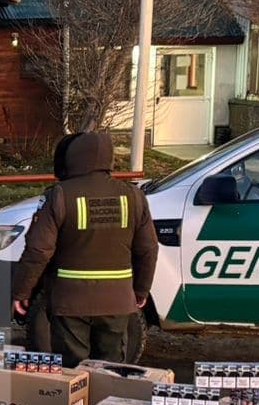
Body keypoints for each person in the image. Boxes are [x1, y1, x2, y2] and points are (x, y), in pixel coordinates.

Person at [10, 130, 157, 365]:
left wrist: (22, 290)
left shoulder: (60, 196)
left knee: (73, 372)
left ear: (72, 157)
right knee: (110, 370)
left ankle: (76, 402)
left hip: (70, 301)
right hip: (117, 301)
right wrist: (141, 290)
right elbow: (148, 249)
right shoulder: (133, 196)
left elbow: (38, 250)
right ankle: (105, 402)